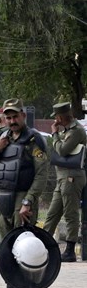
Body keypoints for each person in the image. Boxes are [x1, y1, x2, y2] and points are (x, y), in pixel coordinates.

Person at [0, 98, 49, 288]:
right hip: (3, 198)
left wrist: (29, 201)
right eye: (8, 117)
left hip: (23, 199)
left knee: (25, 248)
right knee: (7, 247)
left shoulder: (34, 140)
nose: (12, 121)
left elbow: (41, 174)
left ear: (23, 115)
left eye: (15, 116)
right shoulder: (3, 138)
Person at [43, 102, 86, 263]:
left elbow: (62, 150)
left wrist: (54, 134)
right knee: (52, 213)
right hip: (62, 177)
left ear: (61, 117)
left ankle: (69, 250)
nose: (55, 120)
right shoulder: (67, 130)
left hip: (72, 177)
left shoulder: (76, 131)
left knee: (71, 214)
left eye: (56, 117)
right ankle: (44, 244)